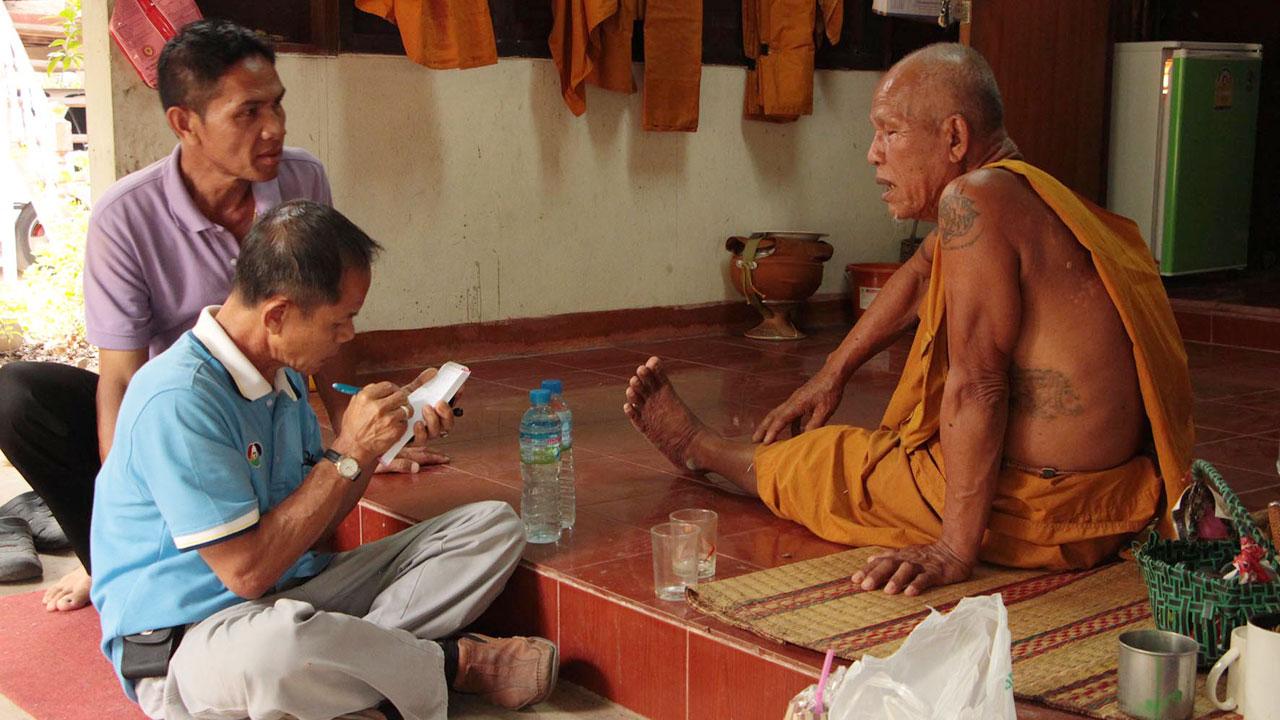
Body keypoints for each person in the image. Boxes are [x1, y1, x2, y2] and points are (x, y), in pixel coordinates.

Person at [622, 43, 1194, 596]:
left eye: (890, 132)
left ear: (954, 137)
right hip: (1114, 499)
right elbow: (921, 275)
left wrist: (954, 549)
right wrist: (831, 374)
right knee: (892, 443)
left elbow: (978, 386)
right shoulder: (1013, 190)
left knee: (827, 463)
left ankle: (702, 447)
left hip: (1045, 511)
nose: (873, 153)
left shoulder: (972, 199)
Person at [0, 19, 443, 613]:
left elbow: (326, 311)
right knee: (18, 397)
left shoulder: (301, 179)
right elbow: (122, 380)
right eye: (249, 112)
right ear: (185, 123)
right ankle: (111, 564)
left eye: (277, 105)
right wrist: (119, 538)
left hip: (263, 406)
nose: (274, 127)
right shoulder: (125, 217)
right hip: (178, 413)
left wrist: (358, 434)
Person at [91, 200, 556, 719]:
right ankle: (450, 664)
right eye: (341, 320)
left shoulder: (283, 377)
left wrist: (378, 441)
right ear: (278, 315)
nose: (349, 336)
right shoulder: (178, 399)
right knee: (276, 652)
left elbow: (315, 519)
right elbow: (247, 573)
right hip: (194, 639)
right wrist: (349, 450)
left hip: (295, 595)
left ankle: (352, 677)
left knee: (491, 528)